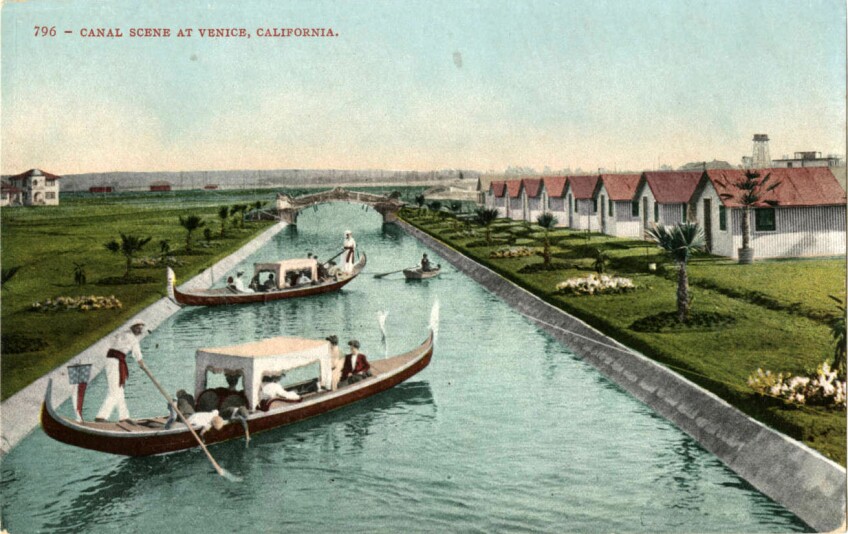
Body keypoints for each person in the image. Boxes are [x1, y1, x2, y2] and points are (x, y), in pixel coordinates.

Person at [95, 322, 146, 423]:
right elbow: (137, 354)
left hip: (111, 361)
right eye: (139, 329)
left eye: (141, 329)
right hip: (116, 363)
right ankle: (101, 417)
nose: (140, 331)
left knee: (119, 390)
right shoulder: (133, 339)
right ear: (134, 328)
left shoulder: (122, 334)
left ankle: (124, 417)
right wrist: (142, 365)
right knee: (114, 391)